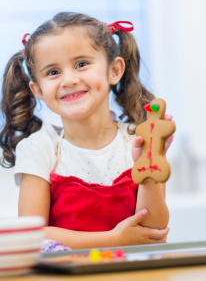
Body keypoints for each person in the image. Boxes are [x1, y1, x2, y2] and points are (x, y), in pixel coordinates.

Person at [0, 12, 175, 250]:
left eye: (81, 64)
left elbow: (153, 232)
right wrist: (113, 240)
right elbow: (31, 236)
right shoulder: (40, 148)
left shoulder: (138, 141)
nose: (69, 80)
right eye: (53, 72)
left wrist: (151, 164)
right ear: (38, 89)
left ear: (114, 70)